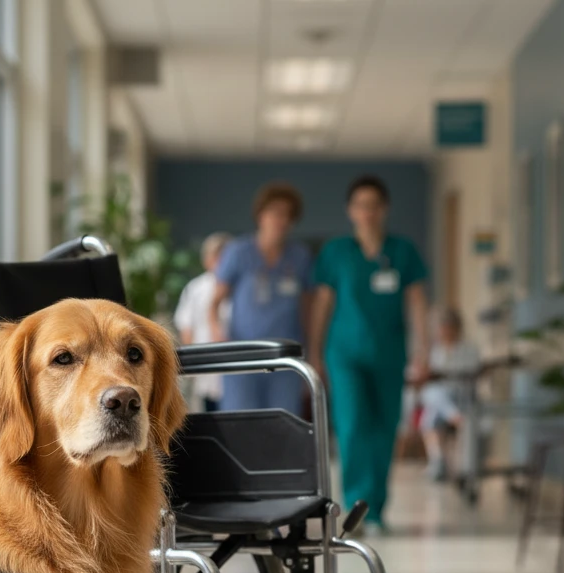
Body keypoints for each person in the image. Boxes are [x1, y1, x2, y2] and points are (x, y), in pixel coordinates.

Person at [309, 174, 430, 534]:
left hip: (390, 353)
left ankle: (377, 509)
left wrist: (424, 351)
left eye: (374, 205)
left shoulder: (403, 251)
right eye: (361, 205)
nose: (368, 212)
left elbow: (418, 302)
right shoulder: (337, 252)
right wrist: (314, 351)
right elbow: (322, 304)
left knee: (384, 427)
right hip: (345, 354)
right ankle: (358, 505)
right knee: (353, 425)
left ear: (384, 209)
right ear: (351, 211)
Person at [209, 182, 312, 415]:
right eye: (275, 212)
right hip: (243, 355)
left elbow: (308, 309)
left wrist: (313, 351)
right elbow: (214, 303)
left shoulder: (300, 257)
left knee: (283, 420)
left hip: (286, 356)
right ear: (260, 215)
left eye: (287, 215)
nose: (281, 220)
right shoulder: (238, 252)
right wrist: (217, 331)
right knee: (242, 420)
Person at [420, 306, 481, 482]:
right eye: (442, 327)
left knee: (431, 413)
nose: (444, 331)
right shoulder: (435, 350)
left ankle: (438, 464)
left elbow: (469, 374)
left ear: (456, 327)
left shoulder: (469, 349)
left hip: (463, 396)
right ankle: (438, 461)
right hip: (442, 398)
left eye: (448, 326)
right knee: (432, 398)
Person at [173, 232, 232, 412]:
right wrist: (191, 360)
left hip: (234, 362)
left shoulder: (241, 286)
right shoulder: (196, 288)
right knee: (211, 411)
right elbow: (186, 325)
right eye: (216, 257)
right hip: (207, 363)